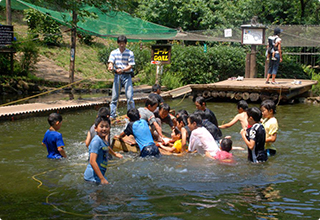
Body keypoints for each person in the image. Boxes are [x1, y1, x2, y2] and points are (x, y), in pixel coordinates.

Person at [84, 116, 123, 185]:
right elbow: (92, 161)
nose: (104, 129)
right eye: (101, 127)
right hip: (92, 178)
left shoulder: (103, 140)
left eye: (106, 126)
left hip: (99, 175)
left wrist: (115, 154)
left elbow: (106, 147)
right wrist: (102, 179)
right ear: (95, 128)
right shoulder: (96, 141)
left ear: (109, 128)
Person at [108, 35, 135, 120]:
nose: (122, 45)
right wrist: (110, 66)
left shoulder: (130, 53)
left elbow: (130, 65)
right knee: (114, 97)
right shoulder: (113, 52)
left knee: (129, 96)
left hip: (127, 75)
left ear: (125, 44)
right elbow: (111, 62)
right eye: (120, 43)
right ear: (118, 43)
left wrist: (122, 70)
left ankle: (131, 114)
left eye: (123, 43)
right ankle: (112, 115)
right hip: (117, 76)